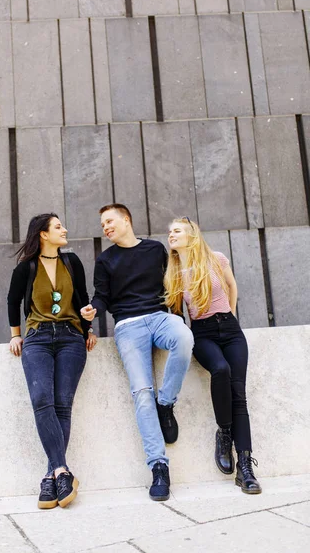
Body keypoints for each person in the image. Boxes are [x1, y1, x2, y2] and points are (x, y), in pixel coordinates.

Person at [81, 204, 193, 502]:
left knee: (183, 336)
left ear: (126, 219)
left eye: (109, 221)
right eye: (102, 224)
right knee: (142, 391)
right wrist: (94, 310)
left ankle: (166, 403)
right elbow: (102, 296)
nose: (105, 227)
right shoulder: (105, 260)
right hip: (128, 326)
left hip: (159, 316)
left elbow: (172, 284)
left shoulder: (155, 250)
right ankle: (158, 466)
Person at [164, 217, 261, 495]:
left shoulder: (216, 258)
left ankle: (246, 469)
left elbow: (231, 287)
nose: (171, 235)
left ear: (191, 234)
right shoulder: (175, 272)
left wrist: (230, 316)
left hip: (230, 329)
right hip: (202, 333)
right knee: (220, 369)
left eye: (177, 230)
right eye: (169, 232)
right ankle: (225, 432)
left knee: (238, 395)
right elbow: (176, 312)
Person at [7, 213, 97, 509]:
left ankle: (51, 475)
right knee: (42, 399)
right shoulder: (26, 268)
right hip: (37, 338)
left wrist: (89, 327)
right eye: (58, 226)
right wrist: (15, 335)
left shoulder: (72, 263)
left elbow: (83, 297)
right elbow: (12, 300)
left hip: (71, 337)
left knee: (62, 404)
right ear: (43, 234)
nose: (65, 229)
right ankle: (61, 470)